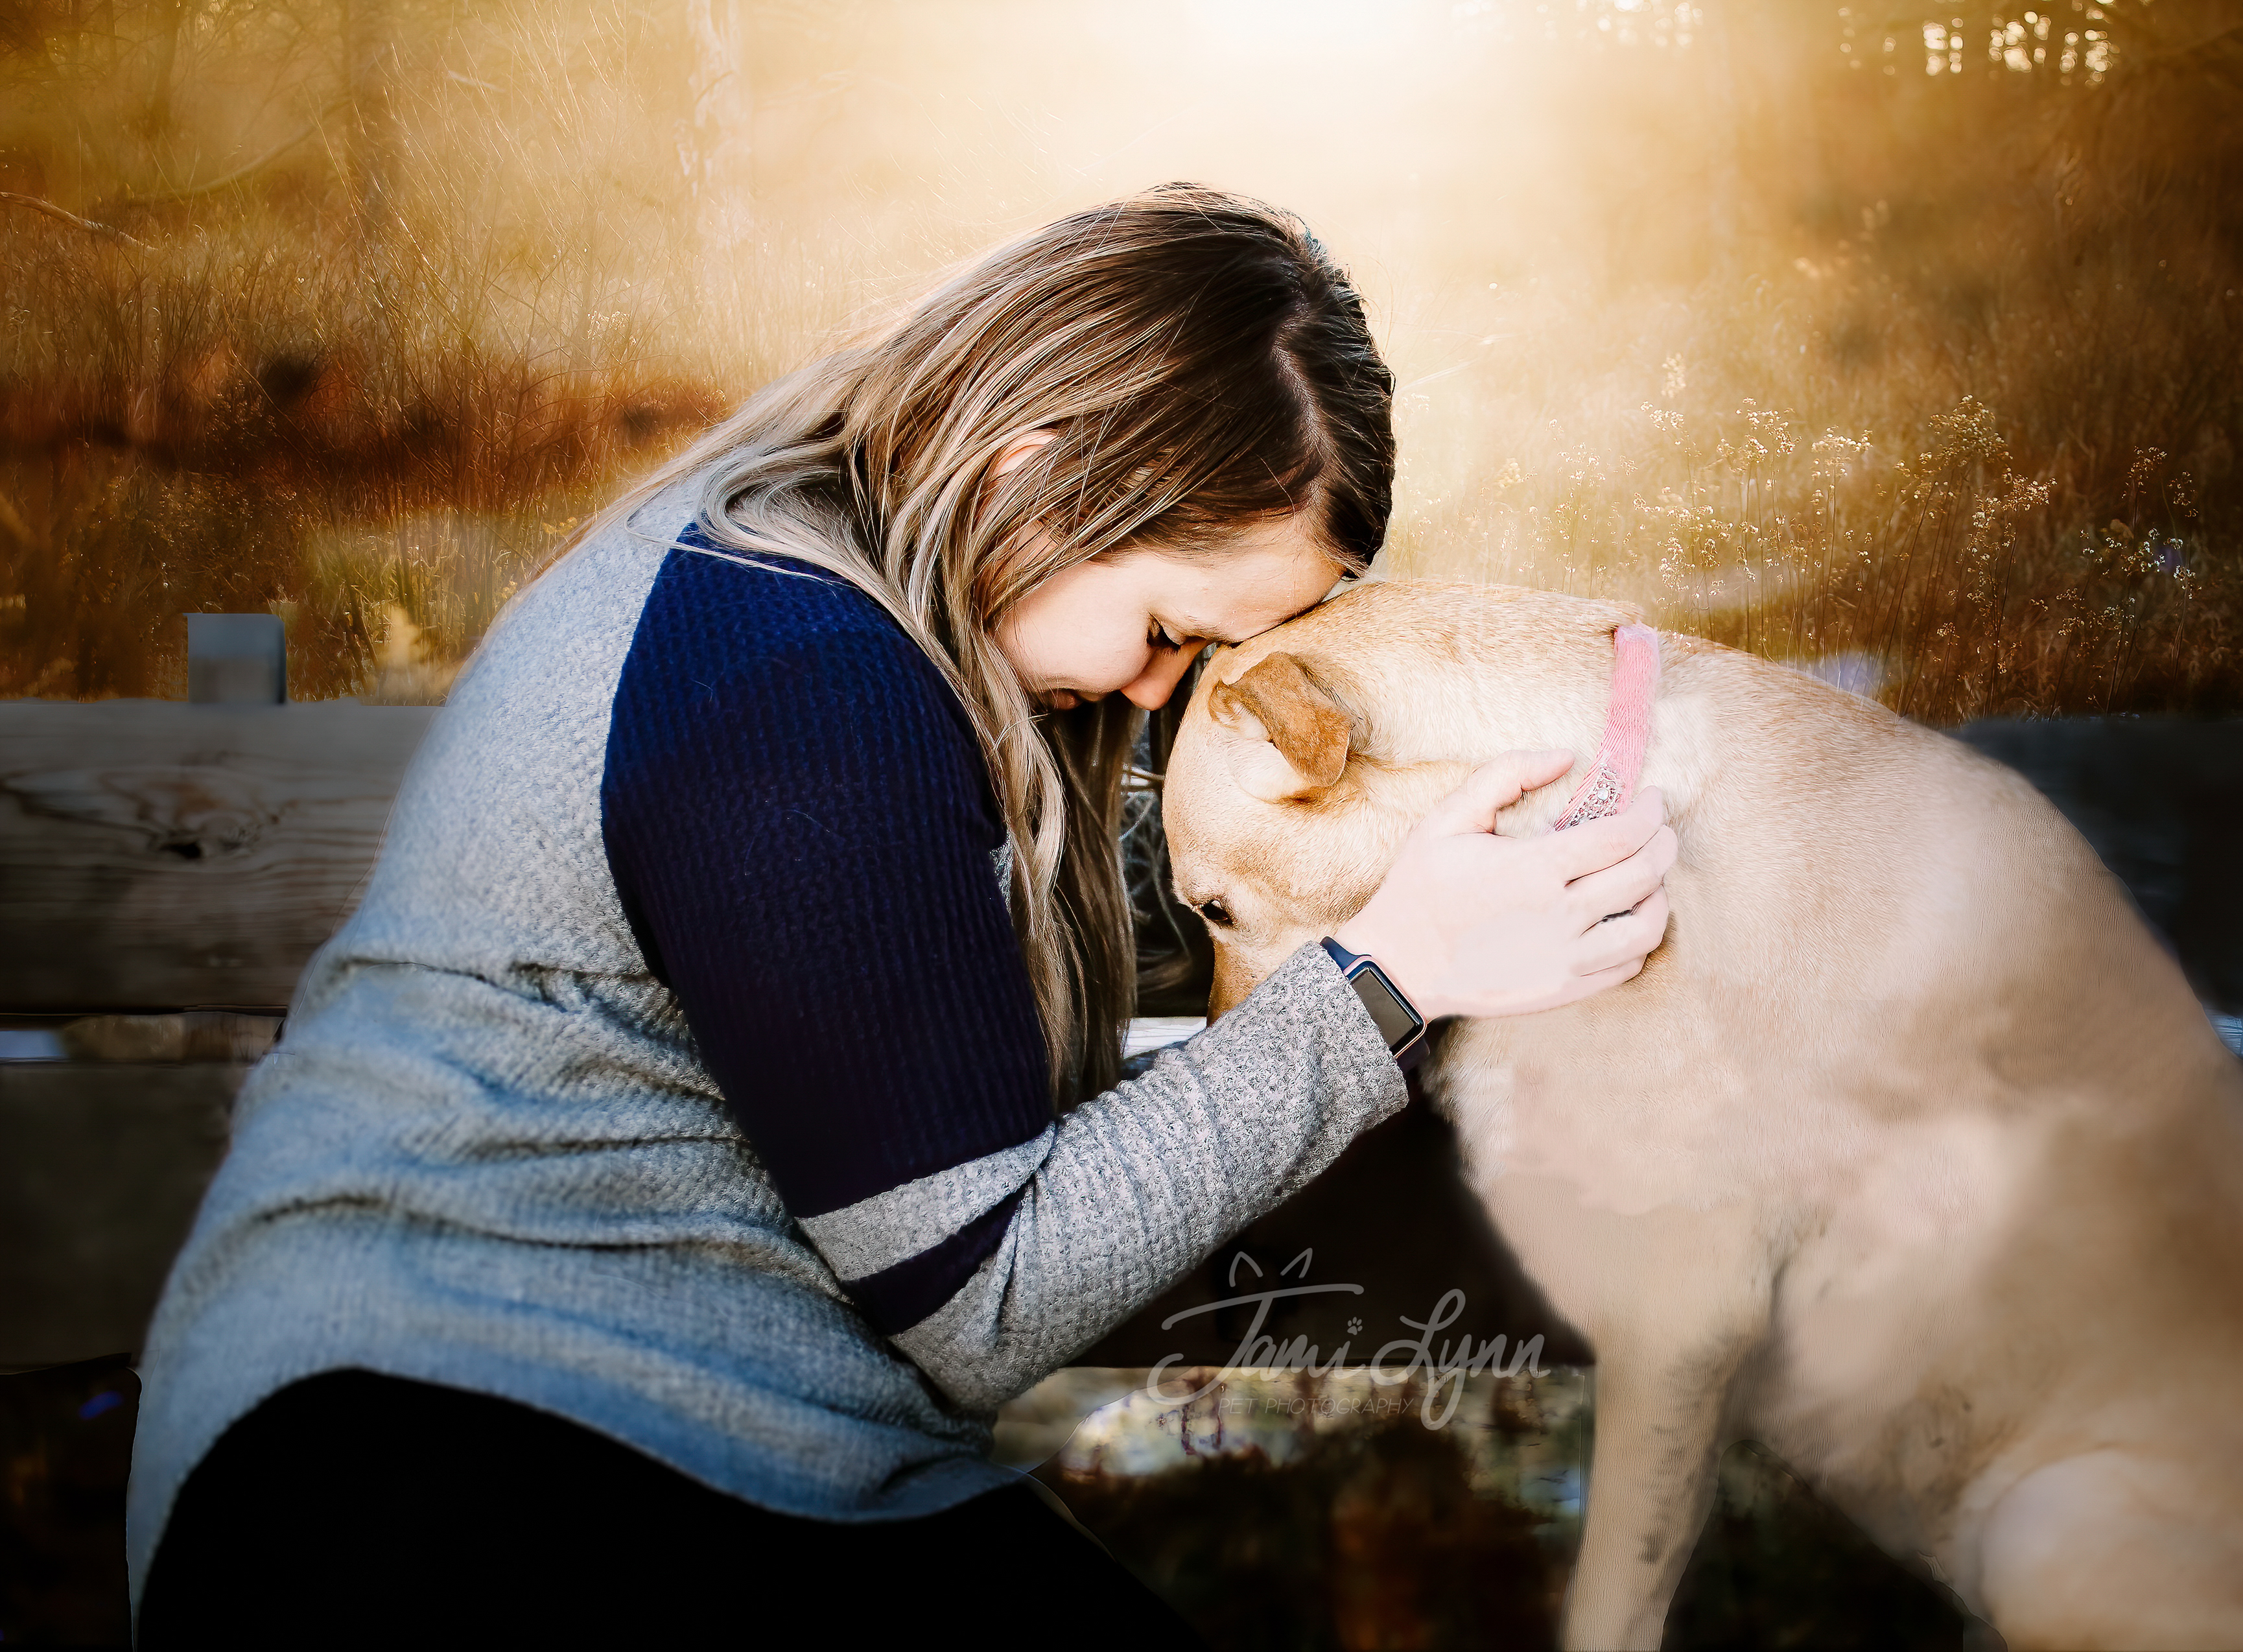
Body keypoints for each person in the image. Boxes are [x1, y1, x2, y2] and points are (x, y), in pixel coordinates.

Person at [128, 185, 1676, 1646]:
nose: (1156, 688)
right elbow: (978, 1289)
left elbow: (946, 1149)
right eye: (1163, 628)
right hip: (439, 1447)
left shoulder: (865, 623)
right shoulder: (797, 668)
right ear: (1034, 468)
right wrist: (1389, 978)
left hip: (711, 1433)